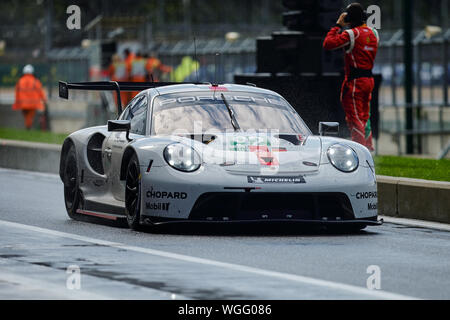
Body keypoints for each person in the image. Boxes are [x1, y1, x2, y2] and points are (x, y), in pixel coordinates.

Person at [323, 3, 379, 151]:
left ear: (349, 19)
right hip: (369, 80)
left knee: (354, 119)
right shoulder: (374, 33)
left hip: (355, 82)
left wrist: (337, 26)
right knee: (365, 117)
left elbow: (328, 44)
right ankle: (368, 148)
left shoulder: (351, 34)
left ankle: (360, 150)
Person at [12, 64, 47, 130]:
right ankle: (28, 128)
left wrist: (16, 103)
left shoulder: (20, 81)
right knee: (30, 117)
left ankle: (28, 127)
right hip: (32, 104)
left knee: (26, 117)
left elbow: (16, 93)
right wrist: (44, 100)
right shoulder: (35, 81)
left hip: (23, 104)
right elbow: (41, 92)